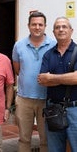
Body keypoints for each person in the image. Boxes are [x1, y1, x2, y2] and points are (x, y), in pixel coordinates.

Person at [12, 11, 56, 152]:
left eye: (40, 24)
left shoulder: (54, 45)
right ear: (28, 26)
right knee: (24, 138)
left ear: (45, 26)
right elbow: (18, 69)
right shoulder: (19, 45)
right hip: (24, 99)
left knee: (46, 138)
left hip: (47, 99)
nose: (37, 27)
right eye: (34, 24)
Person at [38, 16, 77, 152]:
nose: (61, 29)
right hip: (53, 109)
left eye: (64, 26)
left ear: (71, 30)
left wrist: (52, 78)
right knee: (55, 149)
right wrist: (67, 78)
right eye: (57, 27)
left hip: (74, 110)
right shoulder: (48, 55)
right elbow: (42, 80)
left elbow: (76, 78)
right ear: (53, 32)